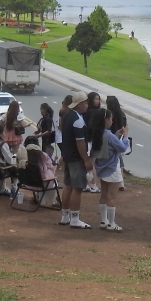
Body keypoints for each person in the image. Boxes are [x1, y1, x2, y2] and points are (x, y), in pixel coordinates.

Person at [89, 108, 129, 231]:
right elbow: (122, 148)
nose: (112, 121)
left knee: (104, 195)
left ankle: (104, 221)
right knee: (111, 196)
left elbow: (108, 143)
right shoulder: (109, 135)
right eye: (111, 119)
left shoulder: (99, 133)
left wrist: (116, 135)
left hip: (101, 168)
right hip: (112, 167)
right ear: (106, 120)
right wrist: (125, 137)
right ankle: (111, 223)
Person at [58, 91, 94, 229]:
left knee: (68, 186)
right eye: (85, 103)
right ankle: (75, 218)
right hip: (76, 159)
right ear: (79, 104)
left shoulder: (67, 116)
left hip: (68, 156)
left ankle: (65, 216)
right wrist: (86, 160)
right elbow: (80, 142)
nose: (87, 105)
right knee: (77, 188)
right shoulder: (78, 120)